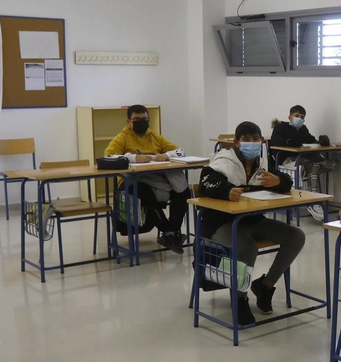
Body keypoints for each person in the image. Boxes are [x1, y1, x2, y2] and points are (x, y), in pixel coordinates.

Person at [198, 121, 306, 319]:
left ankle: (265, 286)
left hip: (252, 220)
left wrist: (279, 181)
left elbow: (286, 182)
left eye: (255, 139)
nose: (251, 143)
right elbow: (205, 182)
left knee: (296, 236)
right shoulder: (224, 160)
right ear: (236, 143)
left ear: (262, 141)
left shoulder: (262, 162)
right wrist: (226, 191)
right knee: (247, 248)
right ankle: (239, 299)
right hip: (220, 223)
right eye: (246, 139)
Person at [105, 104, 190, 252]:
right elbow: (108, 156)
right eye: (136, 119)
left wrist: (167, 155)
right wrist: (134, 157)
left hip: (157, 180)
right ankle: (169, 232)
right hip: (131, 183)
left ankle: (170, 232)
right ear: (129, 122)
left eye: (144, 119)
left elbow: (179, 151)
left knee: (183, 192)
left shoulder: (155, 137)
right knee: (144, 192)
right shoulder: (122, 138)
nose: (141, 122)